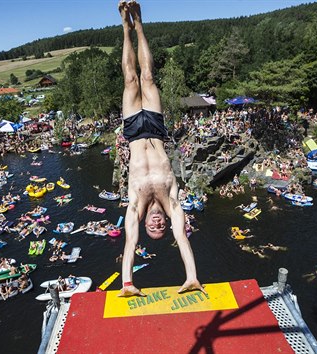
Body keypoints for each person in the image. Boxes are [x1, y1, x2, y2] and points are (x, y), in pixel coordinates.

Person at [117, 0, 204, 297]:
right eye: (159, 227)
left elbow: (130, 242)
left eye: (151, 228)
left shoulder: (135, 206)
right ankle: (139, 24)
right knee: (148, 77)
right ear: (164, 222)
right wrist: (191, 277)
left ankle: (124, 28)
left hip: (132, 133)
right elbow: (182, 237)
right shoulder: (173, 202)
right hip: (154, 130)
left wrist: (127, 284)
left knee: (130, 79)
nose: (155, 224)